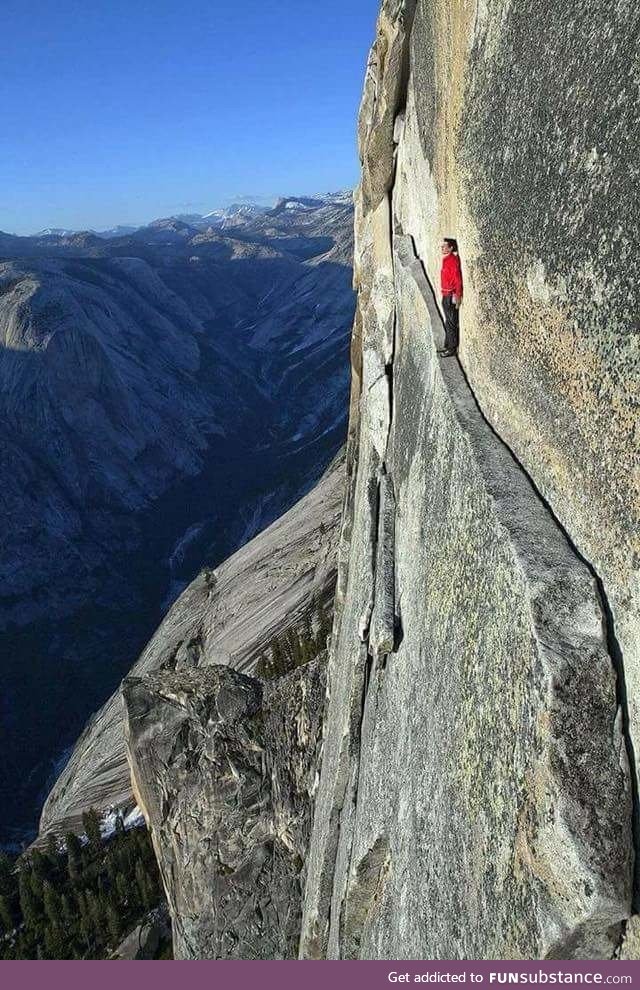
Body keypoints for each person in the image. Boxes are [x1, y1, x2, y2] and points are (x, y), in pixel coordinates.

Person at [438, 237, 463, 356]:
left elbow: (457, 279)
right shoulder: (446, 259)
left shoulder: (452, 260)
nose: (442, 248)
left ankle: (451, 349)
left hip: (449, 295)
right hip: (445, 295)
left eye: (444, 246)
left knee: (451, 322)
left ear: (451, 247)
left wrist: (458, 295)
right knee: (448, 321)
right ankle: (447, 345)